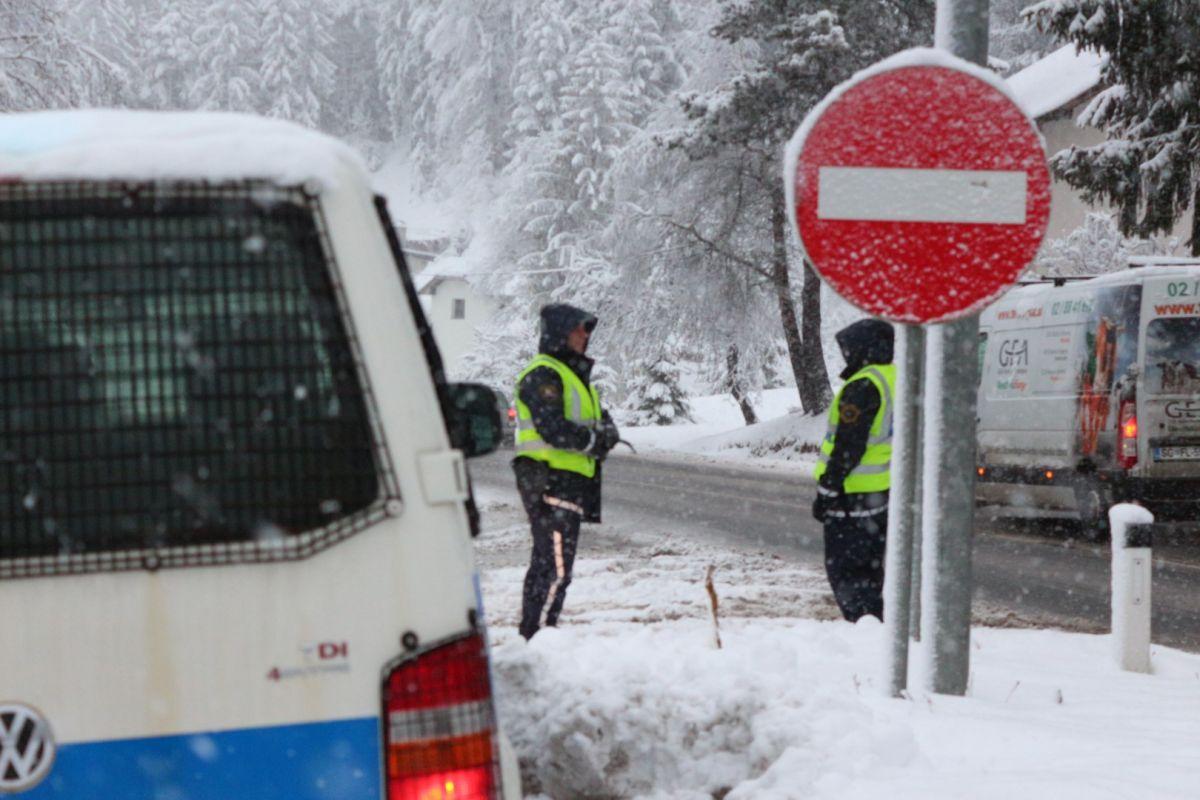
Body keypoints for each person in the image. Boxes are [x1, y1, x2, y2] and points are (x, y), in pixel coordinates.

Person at [512, 303, 619, 640]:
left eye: (586, 329)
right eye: (579, 329)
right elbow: (553, 428)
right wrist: (593, 440)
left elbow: (605, 424)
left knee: (554, 566)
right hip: (547, 480)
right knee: (553, 568)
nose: (585, 336)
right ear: (560, 332)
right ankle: (537, 637)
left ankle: (541, 635)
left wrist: (603, 436)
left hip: (568, 484)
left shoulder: (574, 377)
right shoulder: (543, 374)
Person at [811, 319, 896, 622]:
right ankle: (873, 624)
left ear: (864, 348)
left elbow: (849, 444)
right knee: (870, 571)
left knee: (847, 573)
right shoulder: (895, 378)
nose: (846, 355)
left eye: (848, 349)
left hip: (852, 496)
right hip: (882, 494)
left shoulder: (863, 385)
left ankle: (865, 628)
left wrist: (828, 489)